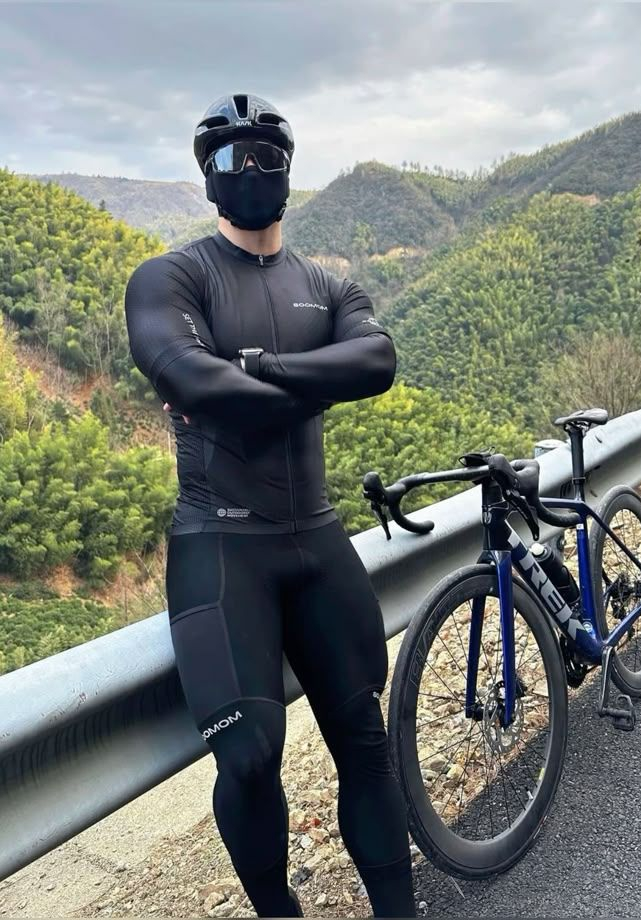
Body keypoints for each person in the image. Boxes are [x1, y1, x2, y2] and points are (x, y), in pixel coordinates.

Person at [124, 93, 417, 919]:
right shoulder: (172, 277)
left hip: (317, 540)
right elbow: (189, 377)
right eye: (230, 158)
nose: (248, 171)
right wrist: (311, 378)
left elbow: (377, 361)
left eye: (265, 156)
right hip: (221, 546)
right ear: (207, 176)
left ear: (288, 169)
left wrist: (252, 370)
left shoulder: (326, 284)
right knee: (250, 760)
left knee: (364, 741)